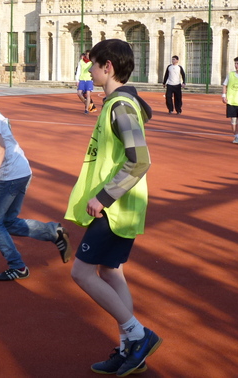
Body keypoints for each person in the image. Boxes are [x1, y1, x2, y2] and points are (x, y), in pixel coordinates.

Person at [65, 39, 161, 376]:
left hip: (115, 206)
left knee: (81, 272)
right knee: (110, 272)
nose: (89, 70)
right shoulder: (116, 104)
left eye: (93, 64)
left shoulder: (120, 105)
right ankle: (129, 350)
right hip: (122, 205)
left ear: (108, 67)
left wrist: (103, 197)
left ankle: (138, 335)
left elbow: (140, 160)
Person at [0, 69, 72, 281]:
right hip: (20, 171)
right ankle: (53, 232)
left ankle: (18, 266)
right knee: (6, 221)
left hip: (10, 175)